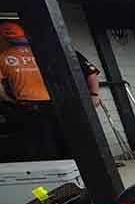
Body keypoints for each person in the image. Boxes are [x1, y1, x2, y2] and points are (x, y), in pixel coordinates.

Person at [0, 21, 103, 160]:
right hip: (59, 103)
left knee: (42, 146)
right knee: (68, 141)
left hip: (30, 106)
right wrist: (94, 94)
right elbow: (91, 72)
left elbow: (1, 90)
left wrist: (8, 99)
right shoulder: (48, 52)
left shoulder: (3, 57)